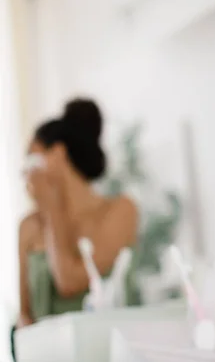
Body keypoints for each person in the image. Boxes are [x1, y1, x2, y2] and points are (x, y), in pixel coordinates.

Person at [16, 98, 138, 329]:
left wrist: (52, 207)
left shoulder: (121, 210)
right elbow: (25, 316)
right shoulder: (28, 227)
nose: (25, 173)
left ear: (59, 154)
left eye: (32, 158)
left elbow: (68, 282)